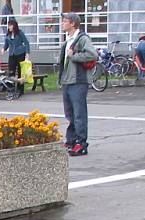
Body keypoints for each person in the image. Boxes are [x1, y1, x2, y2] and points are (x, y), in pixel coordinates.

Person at [58, 12, 96, 157]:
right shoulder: (68, 40)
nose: (62, 23)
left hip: (78, 81)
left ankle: (81, 143)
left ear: (73, 23)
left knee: (79, 113)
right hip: (67, 81)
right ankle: (72, 140)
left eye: (65, 21)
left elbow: (92, 54)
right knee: (70, 113)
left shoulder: (82, 38)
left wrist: (73, 56)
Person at [2, 18, 30, 96]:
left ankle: (20, 89)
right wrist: (3, 49)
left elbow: (26, 43)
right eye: (8, 26)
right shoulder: (8, 35)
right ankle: (11, 88)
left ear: (14, 26)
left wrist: (27, 53)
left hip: (20, 53)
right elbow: (6, 44)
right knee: (11, 71)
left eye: (10, 25)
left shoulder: (20, 33)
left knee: (21, 72)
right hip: (12, 54)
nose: (9, 27)